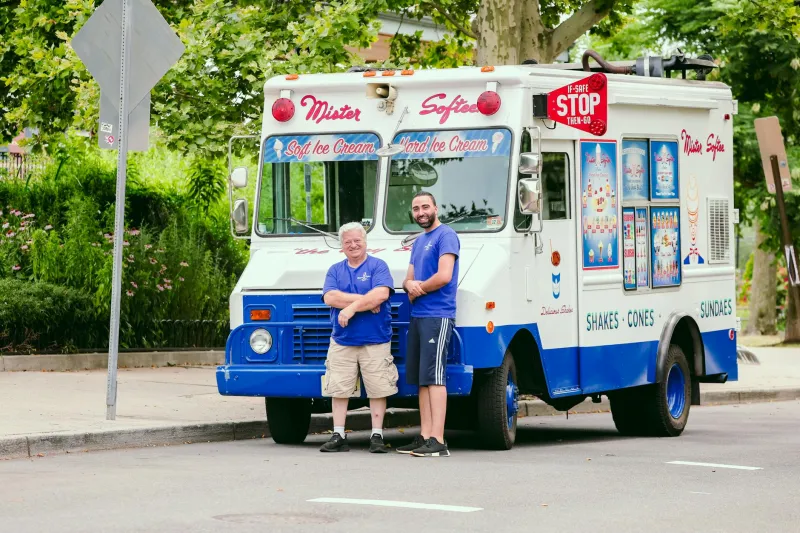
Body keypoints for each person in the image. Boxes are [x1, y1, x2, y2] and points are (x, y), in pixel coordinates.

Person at [319, 222, 399, 453]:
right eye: (347, 242)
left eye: (357, 241)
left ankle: (377, 435)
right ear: (341, 247)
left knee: (378, 388)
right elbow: (330, 297)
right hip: (342, 340)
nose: (353, 245)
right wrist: (364, 301)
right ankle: (338, 434)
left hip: (376, 339)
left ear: (365, 242)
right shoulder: (335, 270)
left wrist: (352, 308)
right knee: (339, 388)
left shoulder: (378, 266)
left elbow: (382, 293)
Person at [396, 191, 459, 457]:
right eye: (415, 208)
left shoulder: (447, 235)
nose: (420, 212)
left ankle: (439, 440)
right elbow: (407, 279)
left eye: (425, 207)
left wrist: (417, 288)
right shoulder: (419, 241)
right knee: (422, 380)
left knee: (435, 378)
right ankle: (424, 436)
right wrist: (409, 284)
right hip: (419, 316)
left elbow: (444, 276)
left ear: (436, 207)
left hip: (437, 314)